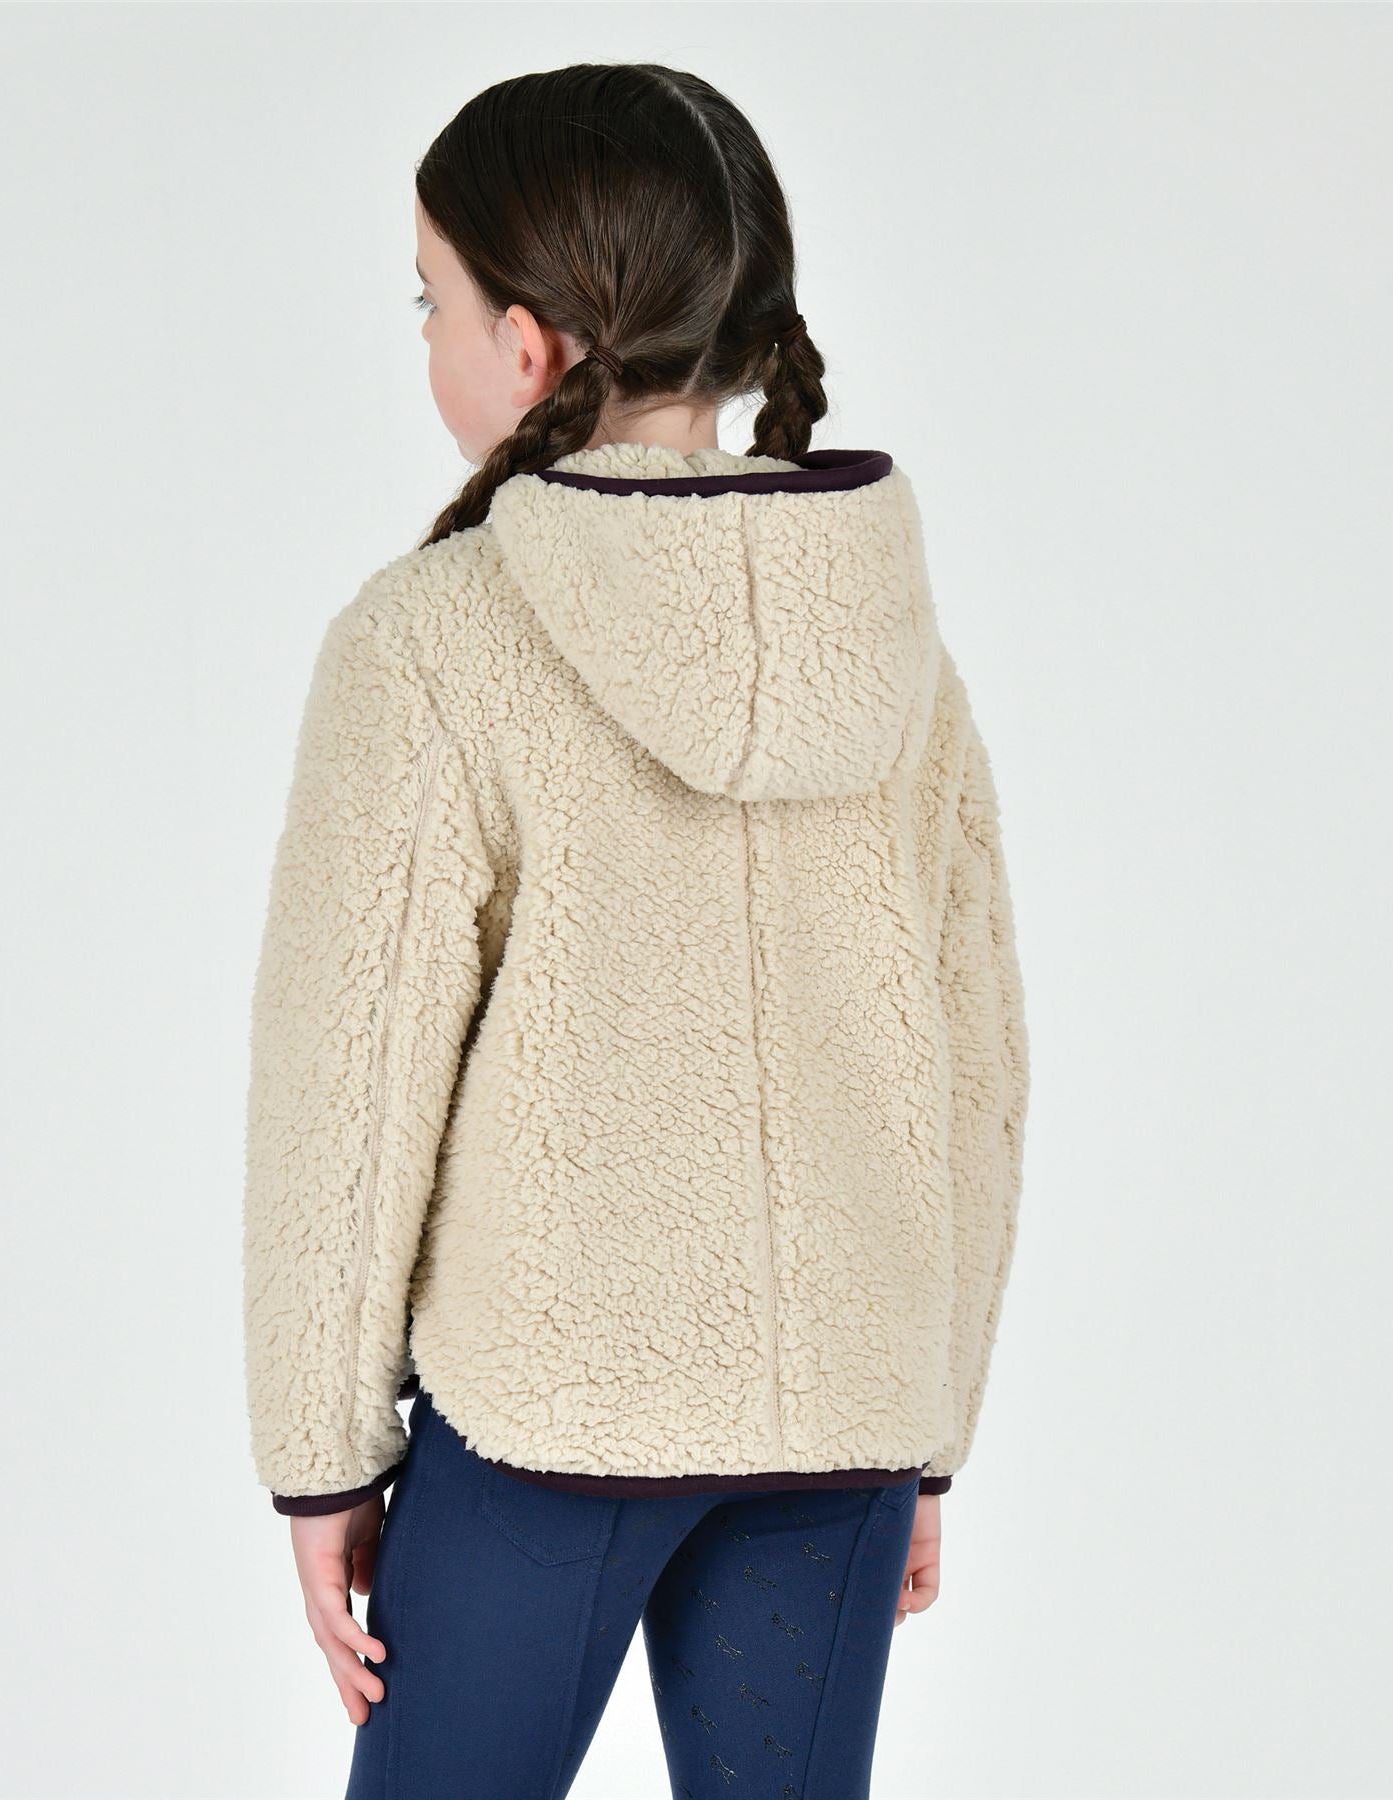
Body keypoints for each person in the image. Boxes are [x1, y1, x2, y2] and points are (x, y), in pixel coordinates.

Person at [242, 61, 1031, 1800]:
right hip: (841, 1416)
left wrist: (320, 1456)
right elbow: (975, 1061)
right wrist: (930, 1421)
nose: (426, 336)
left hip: (551, 1418)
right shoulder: (894, 645)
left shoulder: (432, 642)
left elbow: (348, 1084)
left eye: (431, 300)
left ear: (527, 348)